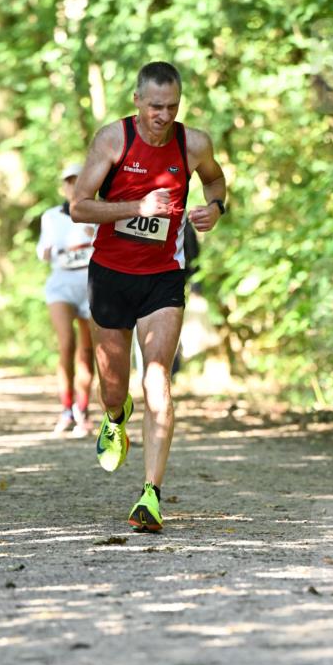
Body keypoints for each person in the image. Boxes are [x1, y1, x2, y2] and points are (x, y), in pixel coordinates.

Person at [71, 61, 226, 532]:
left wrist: (215, 209)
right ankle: (115, 417)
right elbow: (79, 206)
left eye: (172, 106)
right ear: (137, 100)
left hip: (164, 276)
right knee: (114, 386)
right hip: (111, 275)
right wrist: (135, 207)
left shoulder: (193, 143)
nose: (163, 115)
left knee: (157, 377)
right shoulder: (113, 139)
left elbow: (216, 182)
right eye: (155, 105)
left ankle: (150, 496)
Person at [37, 163, 95, 437]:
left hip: (92, 285)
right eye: (69, 181)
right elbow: (43, 250)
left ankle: (83, 410)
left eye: (79, 180)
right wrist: (46, 251)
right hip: (61, 284)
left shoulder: (98, 212)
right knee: (66, 345)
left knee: (87, 350)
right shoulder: (51, 216)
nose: (73, 185)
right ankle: (66, 409)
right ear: (64, 186)